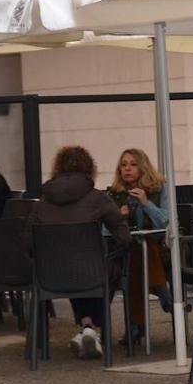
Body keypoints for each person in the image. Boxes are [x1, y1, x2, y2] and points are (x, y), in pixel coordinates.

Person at [30, 145, 131, 359]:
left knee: (76, 267)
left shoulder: (41, 202)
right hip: (90, 271)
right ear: (89, 168)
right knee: (106, 269)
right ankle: (92, 329)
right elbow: (124, 237)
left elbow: (27, 243)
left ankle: (87, 326)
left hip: (51, 274)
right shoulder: (99, 198)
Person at [109, 148, 172, 344]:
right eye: (124, 164)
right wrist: (119, 217)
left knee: (143, 248)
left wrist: (146, 204)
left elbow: (166, 223)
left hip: (160, 250)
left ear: (143, 168)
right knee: (135, 252)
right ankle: (163, 292)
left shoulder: (159, 189)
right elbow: (105, 230)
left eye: (133, 164)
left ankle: (135, 328)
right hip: (125, 252)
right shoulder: (114, 194)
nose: (127, 169)